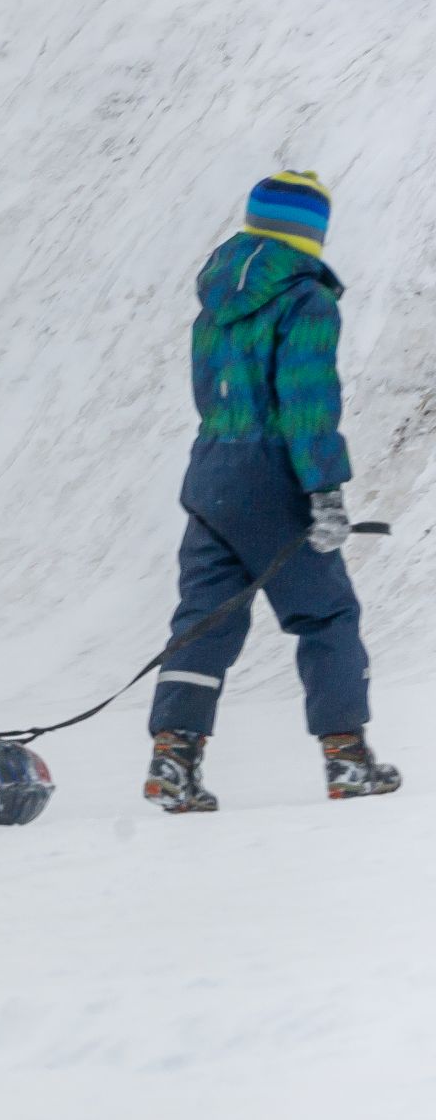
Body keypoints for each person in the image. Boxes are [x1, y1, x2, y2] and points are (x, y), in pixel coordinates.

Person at [144, 170, 400, 812]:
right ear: (310, 234)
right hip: (272, 477)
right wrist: (325, 489)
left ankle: (172, 762)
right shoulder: (305, 300)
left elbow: (211, 395)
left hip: (209, 476)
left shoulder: (216, 298)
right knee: (326, 614)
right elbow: (307, 402)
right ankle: (348, 759)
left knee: (203, 622)